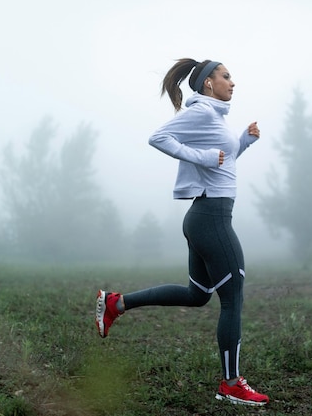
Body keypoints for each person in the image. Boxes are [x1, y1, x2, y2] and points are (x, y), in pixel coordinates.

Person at [95, 58, 269, 406]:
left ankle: (116, 303)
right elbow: (159, 137)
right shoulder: (202, 113)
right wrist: (203, 157)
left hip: (206, 216)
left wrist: (244, 142)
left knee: (198, 294)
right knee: (232, 296)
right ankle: (231, 384)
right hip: (211, 218)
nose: (233, 82)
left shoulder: (214, 117)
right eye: (226, 76)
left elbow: (223, 162)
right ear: (208, 83)